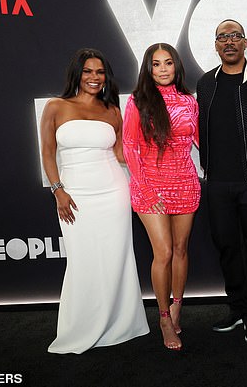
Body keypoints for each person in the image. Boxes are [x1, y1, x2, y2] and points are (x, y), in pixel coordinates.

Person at [41, 48, 149, 354]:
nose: (94, 77)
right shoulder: (55, 107)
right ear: (77, 74)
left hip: (113, 191)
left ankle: (121, 323)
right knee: (82, 259)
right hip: (74, 194)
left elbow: (119, 154)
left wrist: (153, 154)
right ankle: (82, 326)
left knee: (117, 257)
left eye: (99, 72)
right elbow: (48, 153)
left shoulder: (113, 110)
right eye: (88, 71)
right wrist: (58, 190)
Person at [196, 19, 247, 343]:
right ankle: (237, 307)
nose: (229, 42)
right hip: (217, 184)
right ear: (216, 45)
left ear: (245, 42)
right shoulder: (205, 83)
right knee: (227, 247)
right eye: (222, 37)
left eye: (235, 36)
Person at [122, 43, 200, 351]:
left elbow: (198, 140)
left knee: (181, 249)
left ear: (176, 66)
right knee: (164, 252)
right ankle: (164, 317)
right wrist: (146, 188)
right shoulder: (138, 101)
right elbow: (129, 147)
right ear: (148, 68)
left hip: (185, 183)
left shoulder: (188, 101)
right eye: (157, 64)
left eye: (168, 63)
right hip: (150, 186)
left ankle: (178, 306)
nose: (163, 69)